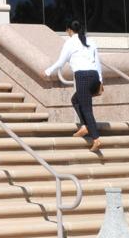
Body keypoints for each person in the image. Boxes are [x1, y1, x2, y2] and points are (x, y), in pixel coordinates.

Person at [44, 20, 103, 151]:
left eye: (67, 31)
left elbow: (61, 62)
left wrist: (48, 71)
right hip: (94, 76)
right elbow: (98, 62)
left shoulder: (70, 42)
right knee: (75, 100)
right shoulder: (90, 41)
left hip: (82, 77)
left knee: (87, 109)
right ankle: (84, 127)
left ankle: (96, 138)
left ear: (69, 30)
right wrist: (100, 80)